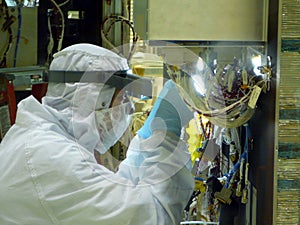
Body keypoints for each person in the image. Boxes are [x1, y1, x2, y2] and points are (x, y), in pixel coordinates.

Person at [0, 43, 194, 225]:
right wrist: (166, 137)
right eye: (123, 97)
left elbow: (119, 193)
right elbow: (152, 217)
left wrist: (145, 146)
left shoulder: (42, 140)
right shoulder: (50, 155)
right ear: (93, 96)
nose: (129, 108)